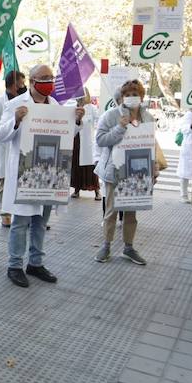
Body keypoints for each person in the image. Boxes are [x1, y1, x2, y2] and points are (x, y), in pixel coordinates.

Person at [0, 64, 62, 287]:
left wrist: (78, 120)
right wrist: (15, 120)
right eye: (44, 78)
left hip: (47, 172)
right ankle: (14, 265)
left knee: (41, 221)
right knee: (21, 222)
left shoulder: (55, 106)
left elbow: (69, 132)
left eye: (51, 77)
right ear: (32, 81)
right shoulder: (15, 104)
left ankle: (35, 263)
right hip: (24, 172)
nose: (48, 81)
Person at [94, 79, 151, 265]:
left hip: (137, 172)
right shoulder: (111, 115)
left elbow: (151, 144)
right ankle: (106, 245)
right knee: (111, 210)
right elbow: (101, 140)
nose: (132, 98)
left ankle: (129, 247)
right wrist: (120, 127)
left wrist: (154, 168)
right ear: (121, 97)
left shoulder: (147, 117)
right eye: (128, 95)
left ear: (141, 97)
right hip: (114, 171)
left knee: (131, 212)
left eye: (135, 94)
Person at [0, 71, 26, 228]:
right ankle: (5, 214)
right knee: (4, 181)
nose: (24, 87)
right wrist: (5, 130)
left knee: (22, 180)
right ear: (13, 85)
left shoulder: (24, 102)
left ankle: (24, 214)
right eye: (22, 84)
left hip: (20, 147)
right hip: (4, 148)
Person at [70, 93, 100, 199]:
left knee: (90, 166)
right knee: (76, 164)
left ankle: (97, 191)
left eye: (82, 95)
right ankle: (76, 190)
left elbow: (98, 120)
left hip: (88, 140)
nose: (80, 98)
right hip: (76, 139)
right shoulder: (73, 107)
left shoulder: (92, 108)